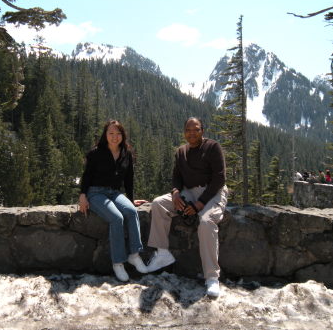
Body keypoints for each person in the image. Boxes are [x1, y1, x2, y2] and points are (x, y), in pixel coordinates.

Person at [146, 117, 229, 298]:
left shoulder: (213, 147)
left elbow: (219, 179)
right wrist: (176, 192)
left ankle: (212, 277)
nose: (192, 133)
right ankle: (162, 252)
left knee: (206, 222)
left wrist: (200, 204)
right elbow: (176, 177)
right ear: (184, 132)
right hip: (188, 192)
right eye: (188, 130)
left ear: (202, 131)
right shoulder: (181, 152)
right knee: (159, 203)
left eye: (196, 129)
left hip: (213, 192)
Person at [79, 120, 147, 282]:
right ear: (105, 135)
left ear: (123, 136)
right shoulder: (96, 153)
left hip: (115, 193)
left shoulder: (126, 154)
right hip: (95, 193)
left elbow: (129, 180)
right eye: (111, 133)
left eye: (118, 134)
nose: (115, 137)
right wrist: (82, 195)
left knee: (131, 211)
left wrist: (130, 200)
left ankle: (134, 255)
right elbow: (87, 175)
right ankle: (118, 263)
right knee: (117, 218)